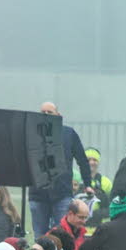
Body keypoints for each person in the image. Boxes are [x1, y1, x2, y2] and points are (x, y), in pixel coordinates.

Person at [28, 102, 91, 237]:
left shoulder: (69, 133)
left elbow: (82, 160)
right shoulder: (32, 134)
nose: (45, 115)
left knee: (63, 234)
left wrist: (88, 184)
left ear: (58, 115)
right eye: (42, 112)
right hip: (38, 193)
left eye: (49, 112)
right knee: (40, 235)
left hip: (62, 193)